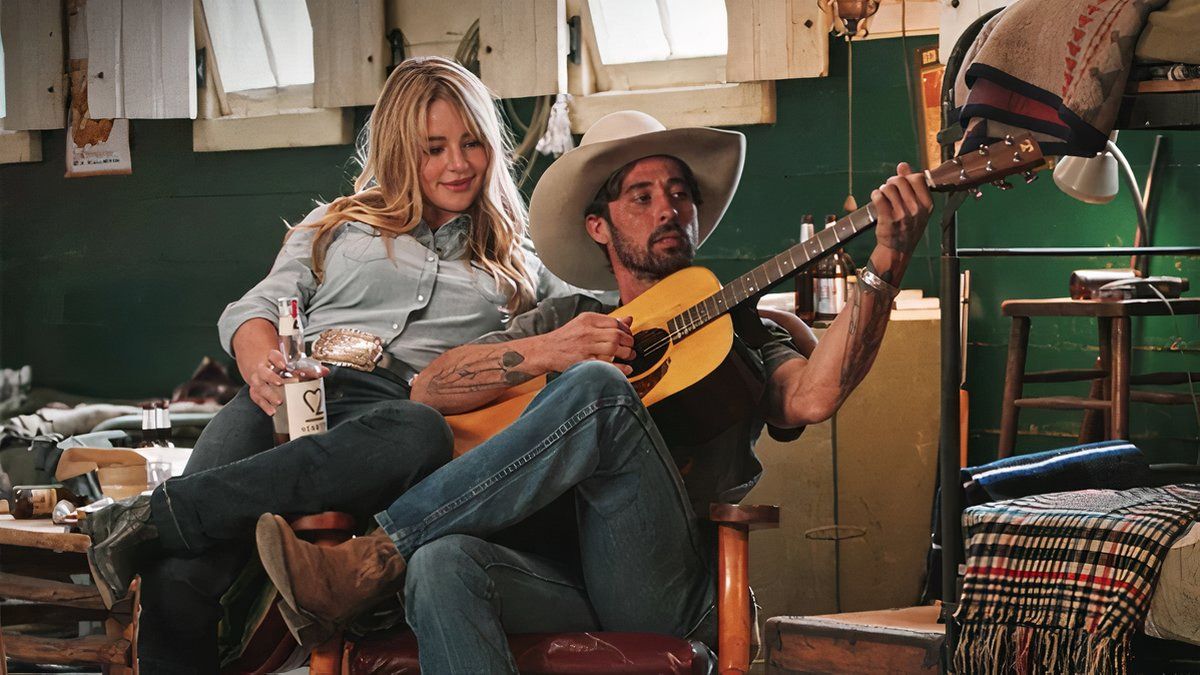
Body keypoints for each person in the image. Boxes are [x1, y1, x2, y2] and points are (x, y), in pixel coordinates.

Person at [254, 110, 934, 672]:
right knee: (442, 563)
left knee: (603, 391)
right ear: (599, 226)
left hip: (666, 585)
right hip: (555, 576)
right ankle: (402, 552)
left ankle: (372, 556)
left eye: (679, 192)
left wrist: (886, 264)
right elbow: (430, 387)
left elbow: (811, 398)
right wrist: (556, 348)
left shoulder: (743, 324)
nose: (668, 207)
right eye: (641, 196)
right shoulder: (561, 320)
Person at [81, 56, 579, 674]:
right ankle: (163, 528)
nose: (458, 163)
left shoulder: (519, 260)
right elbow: (256, 307)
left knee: (421, 430)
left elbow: (596, 304)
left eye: (472, 142)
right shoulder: (338, 225)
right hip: (290, 393)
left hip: (393, 414)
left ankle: (146, 517)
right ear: (400, 150)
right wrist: (262, 364)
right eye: (434, 147)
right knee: (182, 569)